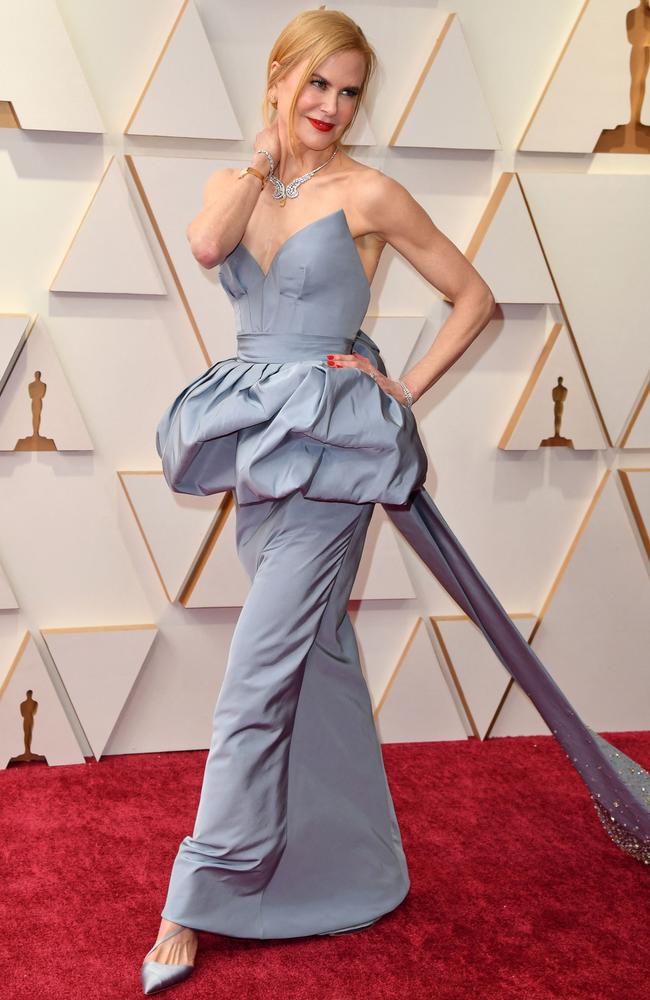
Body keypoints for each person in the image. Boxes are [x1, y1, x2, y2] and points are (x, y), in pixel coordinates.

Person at [144, 8, 650, 995]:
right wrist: (262, 154)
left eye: (348, 91)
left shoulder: (368, 192)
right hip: (260, 450)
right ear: (281, 79)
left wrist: (401, 387)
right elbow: (208, 248)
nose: (331, 106)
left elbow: (475, 297)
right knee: (312, 658)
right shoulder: (232, 189)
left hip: (333, 454)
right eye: (316, 84)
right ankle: (346, 862)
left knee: (255, 674)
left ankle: (189, 900)